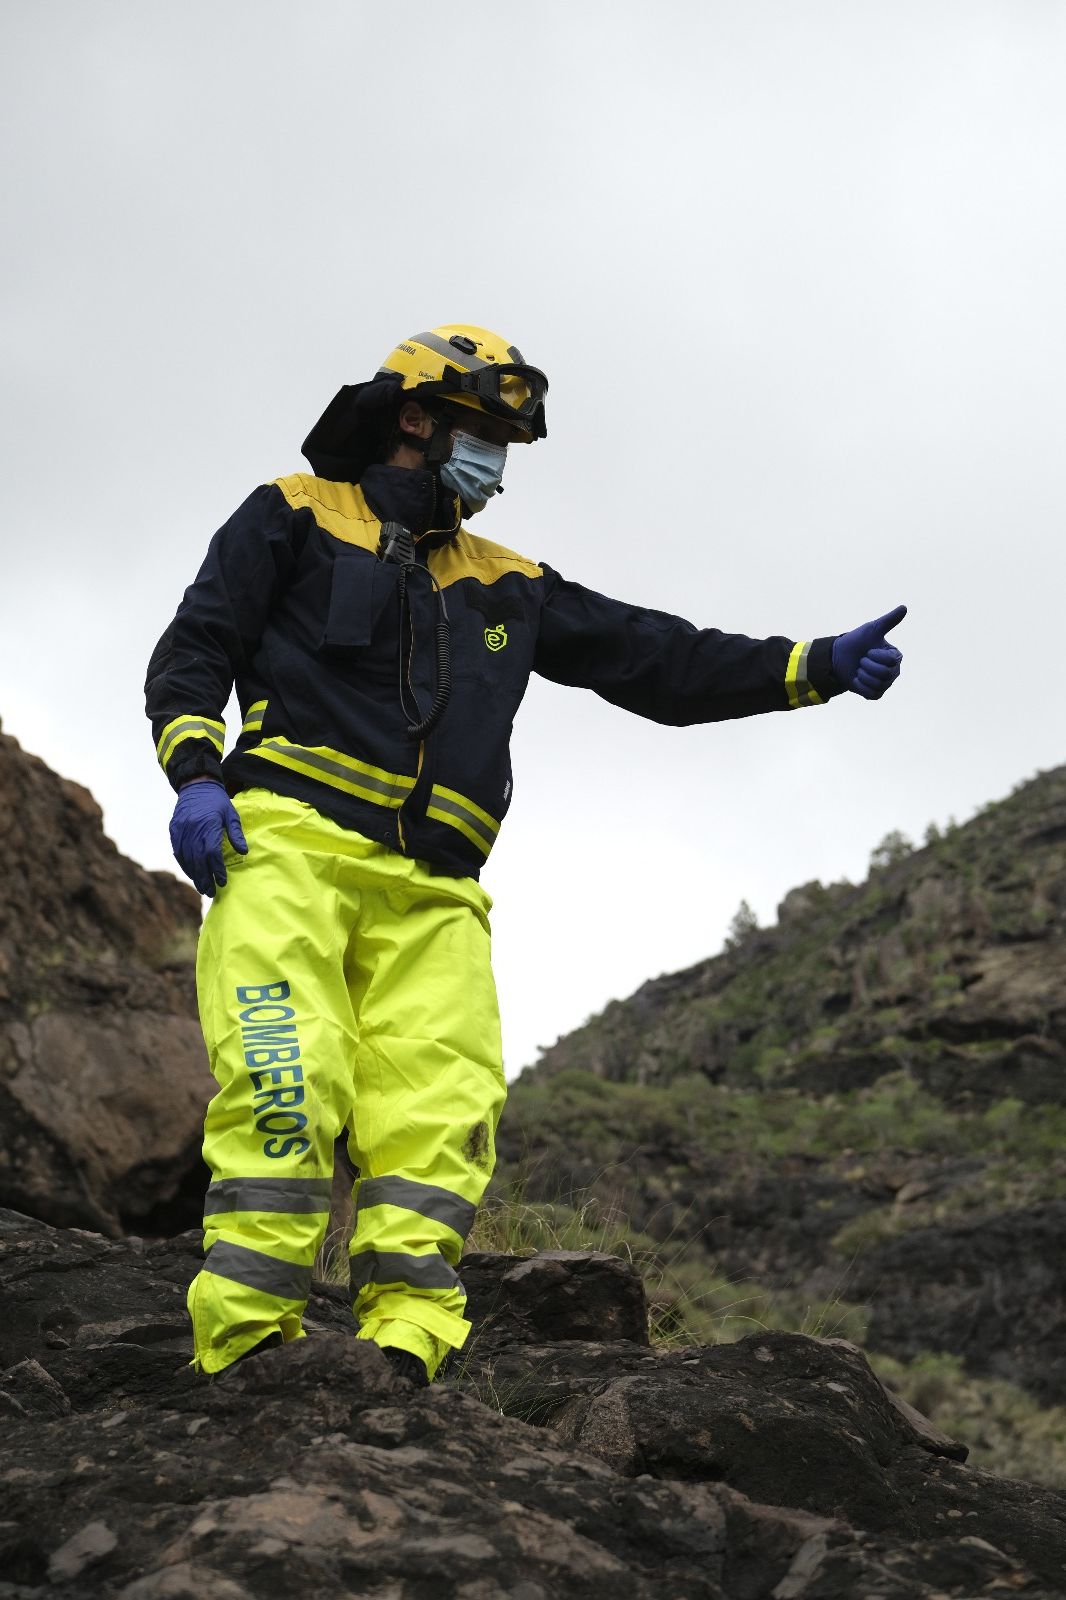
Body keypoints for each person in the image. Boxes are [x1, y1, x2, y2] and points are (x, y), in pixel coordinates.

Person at [145, 323, 906, 1385]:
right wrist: (195, 772)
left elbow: (656, 660)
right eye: (485, 431)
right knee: (288, 1081)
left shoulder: (508, 580)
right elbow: (197, 646)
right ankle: (242, 1350)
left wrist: (807, 666)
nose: (497, 459)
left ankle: (404, 1349)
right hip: (287, 851)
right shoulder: (292, 513)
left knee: (438, 1114)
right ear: (415, 418)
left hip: (437, 891)